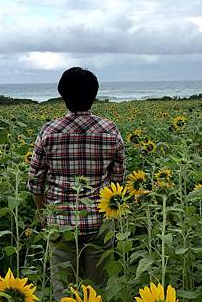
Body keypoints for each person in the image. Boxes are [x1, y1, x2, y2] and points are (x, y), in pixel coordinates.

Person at [27, 67, 126, 300]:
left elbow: (35, 183)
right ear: (95, 94)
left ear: (62, 95)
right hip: (100, 223)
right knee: (98, 288)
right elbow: (118, 181)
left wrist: (45, 216)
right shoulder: (110, 130)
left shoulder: (49, 131)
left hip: (60, 224)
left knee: (64, 291)